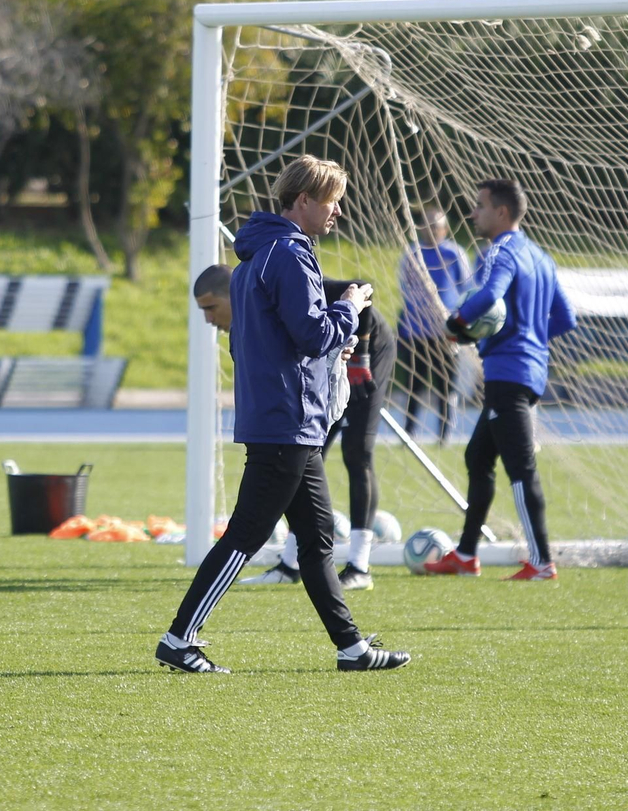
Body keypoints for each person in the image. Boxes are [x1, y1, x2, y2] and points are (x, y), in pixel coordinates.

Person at [156, 155, 411, 674]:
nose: (336, 212)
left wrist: (326, 351)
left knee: (316, 541)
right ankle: (179, 638)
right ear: (302, 202)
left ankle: (352, 648)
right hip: (287, 420)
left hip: (287, 418)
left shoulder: (257, 256)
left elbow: (279, 341)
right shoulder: (289, 253)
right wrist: (352, 306)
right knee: (246, 536)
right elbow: (314, 333)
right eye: (331, 202)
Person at [423, 178, 576, 582]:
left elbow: (490, 296)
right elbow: (565, 318)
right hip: (526, 371)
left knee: (521, 468)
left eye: (479, 206)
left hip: (509, 373)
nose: (472, 213)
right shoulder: (541, 257)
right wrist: (527, 334)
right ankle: (466, 554)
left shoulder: (500, 251)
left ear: (502, 213)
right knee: (478, 458)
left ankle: (542, 563)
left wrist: (456, 322)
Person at [238, 274, 398, 591]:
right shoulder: (256, 308)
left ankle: (359, 567)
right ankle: (290, 563)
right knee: (308, 453)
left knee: (357, 453)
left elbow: (363, 286)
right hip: (332, 359)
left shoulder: (290, 280)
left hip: (369, 353)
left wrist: (361, 352)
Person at [396, 206, 473, 444]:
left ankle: (445, 435)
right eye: (426, 225)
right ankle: (408, 433)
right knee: (414, 384)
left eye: (436, 226)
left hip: (446, 331)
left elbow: (466, 288)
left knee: (446, 385)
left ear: (445, 229)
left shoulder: (454, 254)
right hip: (415, 331)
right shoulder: (412, 253)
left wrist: (459, 319)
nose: (431, 230)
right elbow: (404, 286)